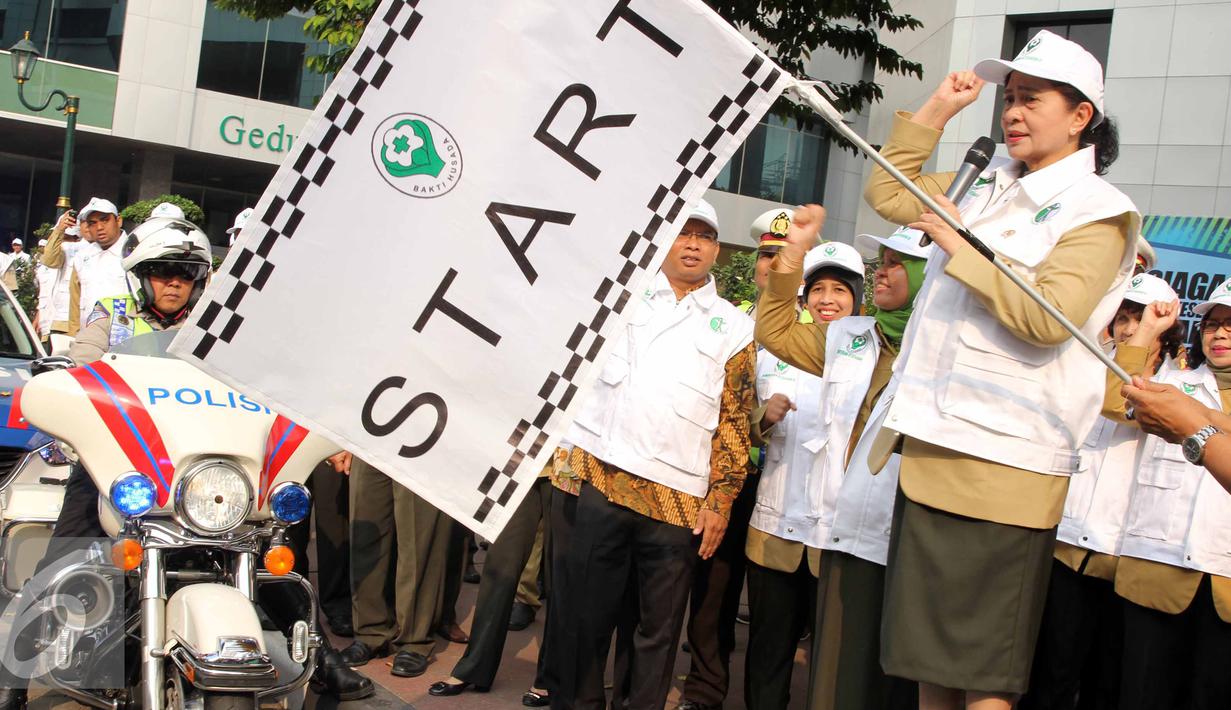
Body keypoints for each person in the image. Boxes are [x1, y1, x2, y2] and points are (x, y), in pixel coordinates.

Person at [858, 28, 1137, 709]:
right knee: (929, 666)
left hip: (1004, 464)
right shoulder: (986, 182)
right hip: (935, 446)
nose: (1011, 112)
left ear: (1080, 117)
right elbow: (889, 196)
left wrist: (958, 241)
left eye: (1030, 99)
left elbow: (1049, 318)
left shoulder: (1100, 211)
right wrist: (934, 113)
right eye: (1007, 98)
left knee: (982, 677)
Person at [0, 218, 372, 708]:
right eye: (160, 270)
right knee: (61, 559)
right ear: (140, 275)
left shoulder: (220, 331)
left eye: (184, 272)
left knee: (269, 561)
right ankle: (13, 677)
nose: (173, 281)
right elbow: (78, 370)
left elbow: (263, 389)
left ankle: (322, 659)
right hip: (120, 472)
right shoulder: (110, 317)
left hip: (200, 478)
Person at [552, 199, 755, 710]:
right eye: (683, 233)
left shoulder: (734, 326)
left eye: (704, 236)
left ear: (716, 249)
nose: (692, 244)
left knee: (656, 634)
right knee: (586, 620)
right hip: (604, 481)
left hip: (679, 503)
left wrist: (721, 501)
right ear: (663, 239)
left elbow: (733, 421)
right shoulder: (620, 297)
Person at [1019, 273, 1182, 710]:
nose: (1129, 328)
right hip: (1067, 547)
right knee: (1049, 676)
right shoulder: (1087, 369)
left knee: (1106, 684)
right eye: (1124, 317)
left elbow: (1124, 402)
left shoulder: (1181, 388)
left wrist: (1145, 338)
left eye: (1142, 319)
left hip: (1125, 560)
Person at [677, 208, 799, 710]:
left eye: (784, 257)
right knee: (712, 592)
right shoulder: (732, 317)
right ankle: (705, 689)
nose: (772, 265)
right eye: (766, 255)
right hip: (730, 476)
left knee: (773, 607)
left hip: (783, 479)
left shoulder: (815, 327)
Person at [741, 240, 866, 710]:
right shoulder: (777, 350)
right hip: (776, 527)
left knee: (831, 661)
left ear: (856, 297)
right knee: (768, 650)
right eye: (818, 289)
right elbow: (745, 427)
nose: (827, 299)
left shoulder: (876, 357)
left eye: (839, 290)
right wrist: (765, 417)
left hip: (836, 537)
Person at [1102, 282, 1231, 709]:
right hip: (1157, 575)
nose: (1219, 334)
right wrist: (1147, 331)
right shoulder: (1174, 384)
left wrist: (1200, 420)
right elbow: (1116, 402)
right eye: (1211, 324)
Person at [428, 465, 556, 699]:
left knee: (559, 573)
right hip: (527, 459)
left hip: (571, 466)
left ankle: (550, 677)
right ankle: (474, 667)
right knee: (499, 567)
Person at [341, 454, 456, 678]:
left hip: (426, 438)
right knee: (365, 534)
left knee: (418, 543)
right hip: (371, 435)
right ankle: (370, 632)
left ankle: (414, 640)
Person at [36, 214, 87, 344]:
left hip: (80, 323)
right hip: (56, 321)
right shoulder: (60, 253)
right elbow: (49, 260)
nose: (59, 241)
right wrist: (60, 229)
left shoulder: (82, 250)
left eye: (64, 237)